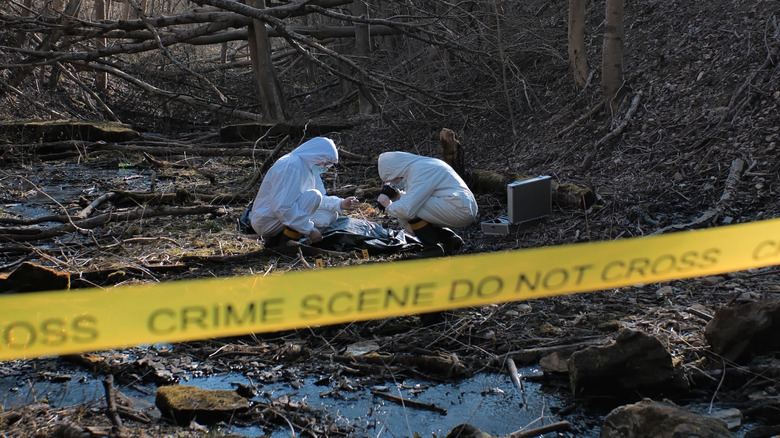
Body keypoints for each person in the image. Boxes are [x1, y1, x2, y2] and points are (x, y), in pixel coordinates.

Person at [249, 137, 360, 247]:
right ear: (317, 156)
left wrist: (340, 203)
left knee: (329, 215)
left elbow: (320, 199)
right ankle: (284, 243)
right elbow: (281, 206)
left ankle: (286, 235)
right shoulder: (291, 165)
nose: (326, 167)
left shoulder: (310, 168)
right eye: (326, 163)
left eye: (329, 165)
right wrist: (310, 229)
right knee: (314, 196)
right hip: (266, 220)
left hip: (280, 216)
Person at [377, 151, 478, 257]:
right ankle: (449, 239)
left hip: (458, 208)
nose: (395, 183)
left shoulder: (421, 170)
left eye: (393, 179)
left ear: (396, 170)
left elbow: (407, 209)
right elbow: (419, 195)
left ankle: (432, 248)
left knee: (407, 211)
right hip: (459, 205)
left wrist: (388, 206)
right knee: (407, 205)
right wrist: (397, 195)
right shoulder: (422, 166)